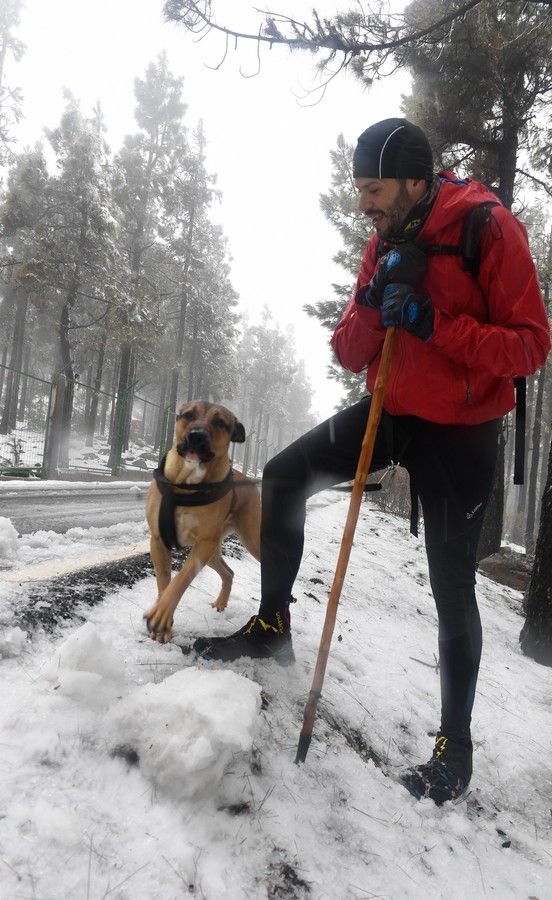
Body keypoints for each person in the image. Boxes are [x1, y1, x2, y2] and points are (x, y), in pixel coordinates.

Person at [193, 118, 551, 804]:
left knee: (452, 584)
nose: (364, 204)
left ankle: (455, 747)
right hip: (394, 406)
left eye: (374, 188)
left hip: (465, 429)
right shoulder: (384, 238)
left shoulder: (488, 229)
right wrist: (376, 301)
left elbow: (530, 347)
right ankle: (272, 626)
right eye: (359, 189)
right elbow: (349, 353)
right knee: (284, 475)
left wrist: (432, 323)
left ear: (416, 181)